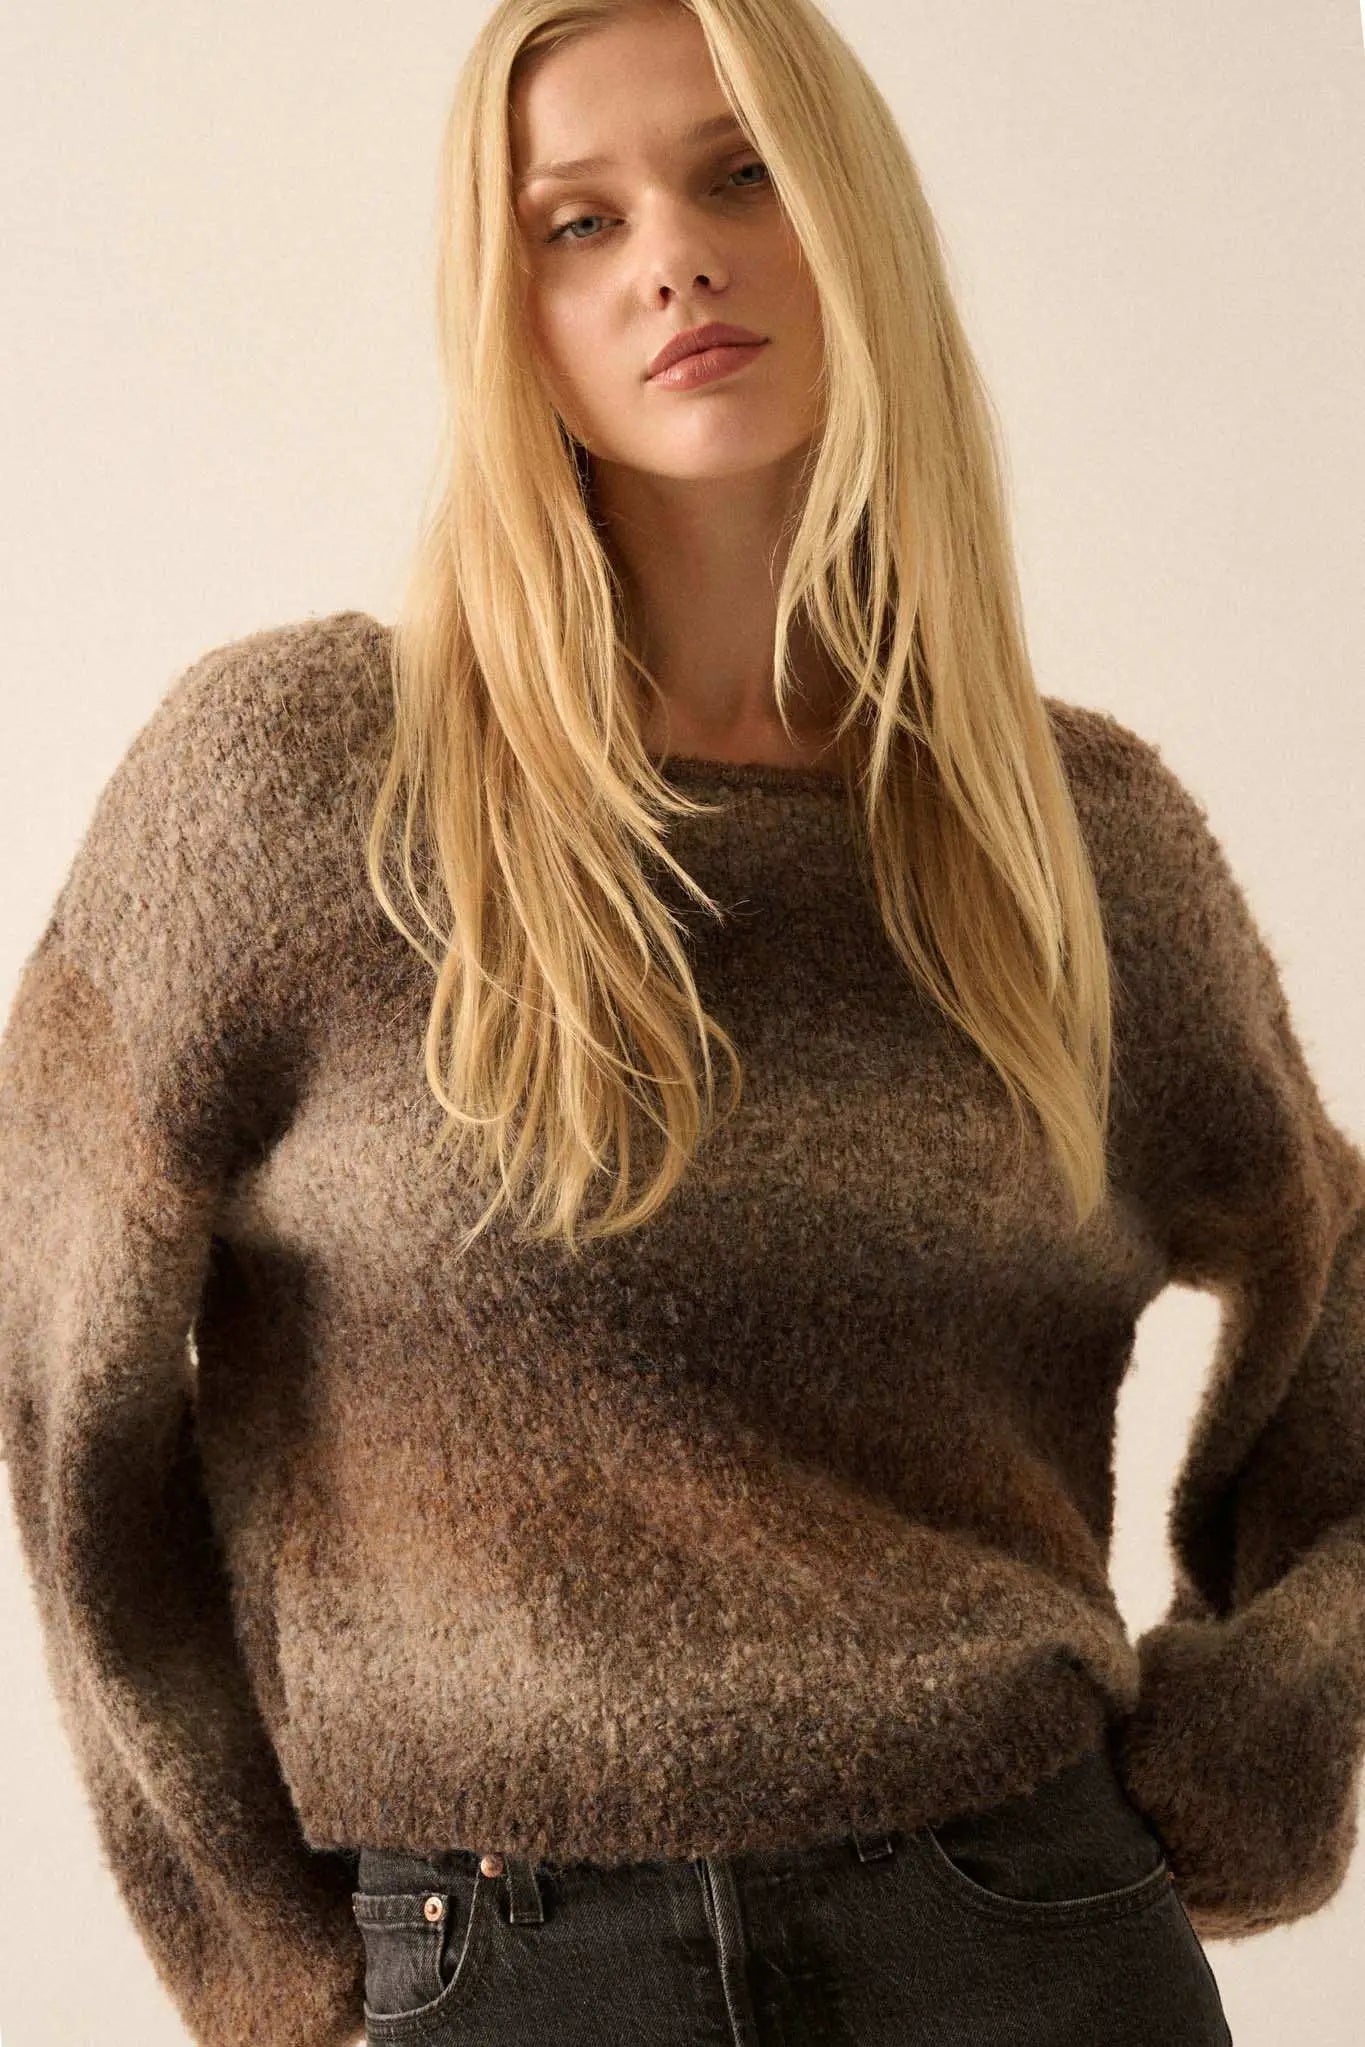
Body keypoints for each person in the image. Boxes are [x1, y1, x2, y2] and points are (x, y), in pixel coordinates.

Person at [1, 0, 1360, 2041]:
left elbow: (1334, 1281)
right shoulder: (288, 787)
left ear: (854, 219)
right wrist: (254, 1934)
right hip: (500, 1957)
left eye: (741, 175)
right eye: (577, 220)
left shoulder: (1074, 845)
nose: (674, 259)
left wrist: (1267, 1725)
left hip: (1024, 1928)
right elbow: (53, 1366)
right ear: (507, 303)